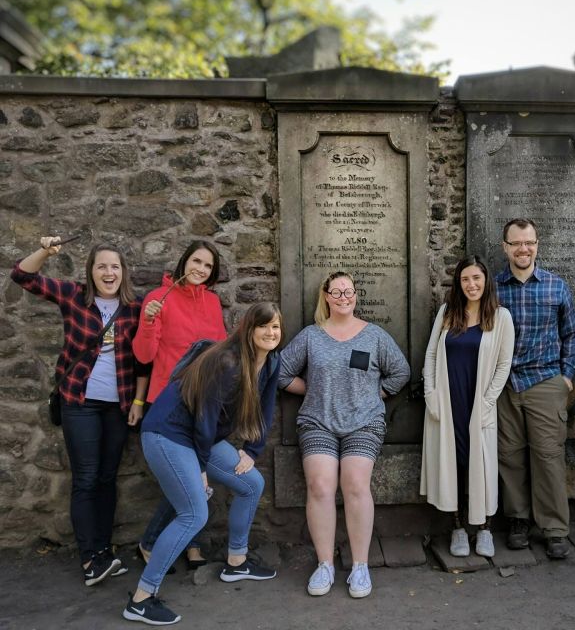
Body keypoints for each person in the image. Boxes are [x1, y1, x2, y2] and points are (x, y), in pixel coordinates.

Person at [123, 302, 282, 626]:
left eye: (276, 327)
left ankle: (236, 561)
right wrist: (200, 466)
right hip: (168, 433)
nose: (271, 333)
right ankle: (141, 599)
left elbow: (266, 408)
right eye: (263, 326)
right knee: (194, 513)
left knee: (252, 483)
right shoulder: (228, 362)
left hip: (197, 437)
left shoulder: (271, 362)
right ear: (247, 329)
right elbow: (204, 417)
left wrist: (253, 450)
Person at [11, 237, 147, 586]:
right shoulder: (74, 296)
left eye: (114, 266)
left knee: (107, 478)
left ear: (123, 272)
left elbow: (146, 356)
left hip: (118, 406)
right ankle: (90, 558)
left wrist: (137, 403)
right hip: (79, 403)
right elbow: (22, 276)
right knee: (86, 479)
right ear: (91, 271)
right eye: (101, 265)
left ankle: (103, 550)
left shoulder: (135, 307)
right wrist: (45, 251)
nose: (108, 272)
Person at [279, 272, 410, 598]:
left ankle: (360, 567)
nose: (343, 296)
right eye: (336, 291)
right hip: (318, 421)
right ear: (325, 296)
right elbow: (280, 372)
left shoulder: (374, 336)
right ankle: (324, 564)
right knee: (321, 485)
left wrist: (374, 395)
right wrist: (313, 390)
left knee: (354, 484)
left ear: (355, 295)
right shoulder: (311, 336)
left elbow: (401, 371)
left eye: (348, 291)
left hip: (363, 422)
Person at [133, 240, 227, 570]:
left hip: (202, 403)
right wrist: (147, 321)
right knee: (186, 478)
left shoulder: (213, 302)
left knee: (193, 477)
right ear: (183, 261)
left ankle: (191, 545)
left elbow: (219, 351)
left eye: (208, 266)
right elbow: (143, 355)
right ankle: (151, 543)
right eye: (196, 261)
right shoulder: (158, 299)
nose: (200, 269)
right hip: (168, 404)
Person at [495, 219, 575, 559]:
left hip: (545, 382)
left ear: (537, 244)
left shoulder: (555, 286)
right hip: (503, 384)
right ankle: (518, 520)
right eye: (516, 243)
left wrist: (567, 376)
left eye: (528, 242)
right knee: (510, 456)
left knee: (548, 457)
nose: (523, 249)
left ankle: (555, 528)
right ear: (505, 247)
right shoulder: (493, 288)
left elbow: (571, 333)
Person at [420, 256, 514, 558]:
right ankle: (457, 527)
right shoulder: (448, 313)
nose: (471, 284)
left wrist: (488, 402)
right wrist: (430, 393)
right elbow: (432, 354)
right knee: (454, 465)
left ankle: (484, 528)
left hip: (479, 403)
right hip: (448, 402)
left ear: (486, 281)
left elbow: (503, 365)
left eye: (476, 278)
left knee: (481, 464)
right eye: (465, 279)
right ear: (459, 284)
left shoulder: (501, 318)